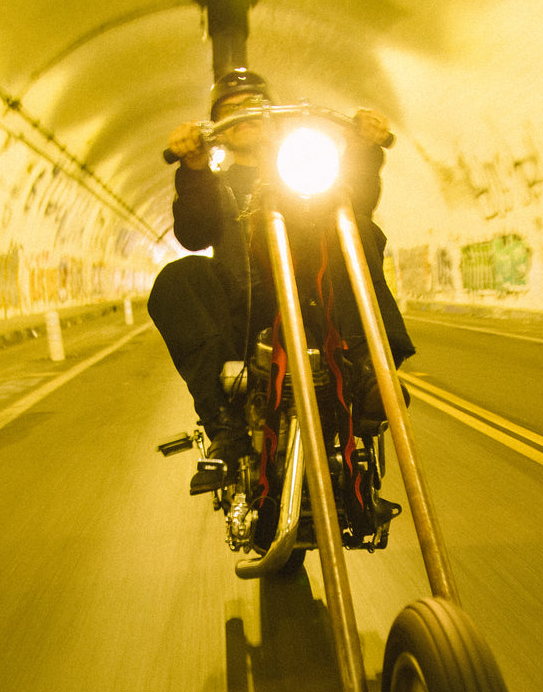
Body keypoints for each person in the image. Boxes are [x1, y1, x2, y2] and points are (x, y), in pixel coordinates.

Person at [147, 67, 415, 474]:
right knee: (176, 278)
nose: (242, 113)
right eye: (229, 109)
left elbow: (356, 202)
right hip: (246, 310)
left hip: (315, 300)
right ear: (218, 126)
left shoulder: (306, 166)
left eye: (252, 105)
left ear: (272, 114)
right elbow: (193, 233)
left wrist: (362, 148)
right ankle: (224, 420)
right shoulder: (215, 184)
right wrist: (195, 171)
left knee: (358, 229)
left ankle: (371, 371)